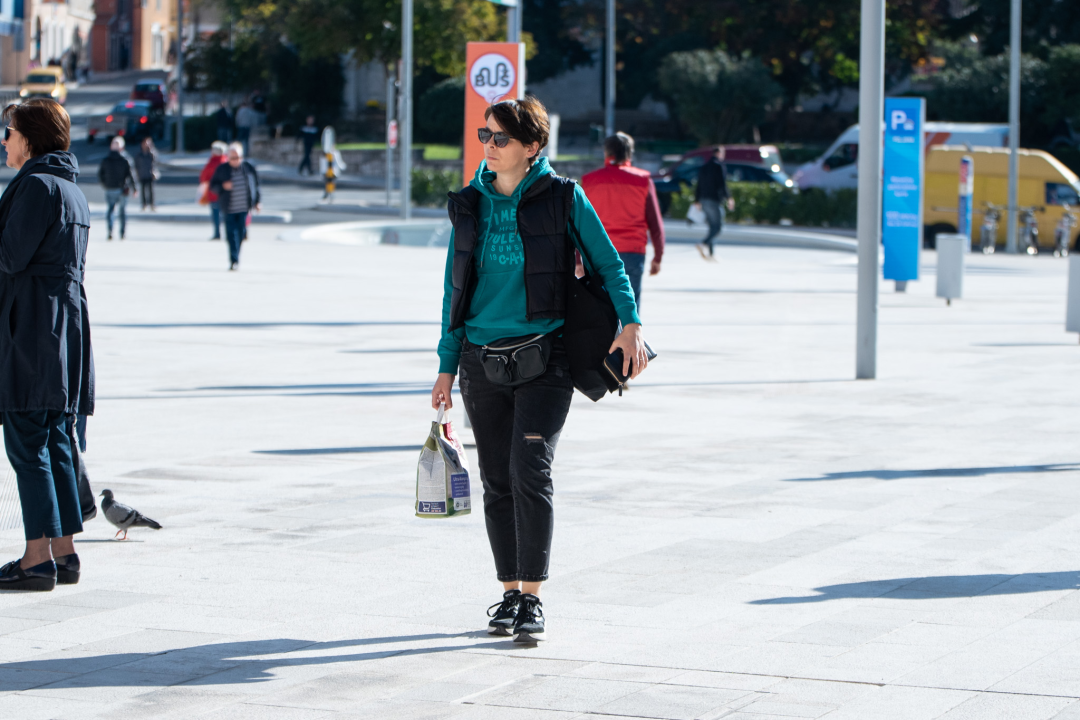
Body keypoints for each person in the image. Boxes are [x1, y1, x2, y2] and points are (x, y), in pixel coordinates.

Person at [432, 97, 649, 643]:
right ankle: (508, 591)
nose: (489, 146)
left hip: (545, 356)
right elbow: (453, 291)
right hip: (481, 361)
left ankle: (532, 597)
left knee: (531, 469)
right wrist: (445, 365)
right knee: (496, 479)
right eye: (485, 136)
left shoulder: (563, 198)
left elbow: (607, 262)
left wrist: (631, 324)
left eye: (500, 138)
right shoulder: (469, 204)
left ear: (531, 148)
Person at [0, 99, 94, 591]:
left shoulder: (35, 185)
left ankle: (36, 560)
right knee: (55, 437)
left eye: (10, 131)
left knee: (27, 441)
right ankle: (64, 551)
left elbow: (11, 257)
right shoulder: (71, 189)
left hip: (32, 331)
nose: (5, 140)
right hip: (61, 331)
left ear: (31, 137)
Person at [580, 132, 665, 309]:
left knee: (601, 311)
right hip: (632, 252)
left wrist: (577, 260)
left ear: (606, 152)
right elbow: (655, 222)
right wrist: (658, 256)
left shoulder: (589, 181)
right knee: (629, 309)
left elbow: (578, 224)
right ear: (630, 153)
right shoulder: (643, 180)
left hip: (598, 254)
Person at [210, 142, 261, 271]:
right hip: (229, 208)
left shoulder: (248, 168)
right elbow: (213, 186)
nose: (235, 161)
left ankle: (236, 255)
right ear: (228, 157)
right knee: (231, 235)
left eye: (238, 158)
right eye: (232, 158)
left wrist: (257, 202)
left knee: (242, 233)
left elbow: (256, 186)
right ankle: (234, 260)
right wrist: (223, 186)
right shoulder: (222, 169)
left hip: (244, 208)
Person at [693, 146, 735, 260]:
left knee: (712, 226)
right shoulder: (719, 166)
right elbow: (722, 184)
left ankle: (711, 254)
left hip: (703, 199)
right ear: (719, 153)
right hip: (714, 200)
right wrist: (729, 198)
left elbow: (699, 184)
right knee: (718, 227)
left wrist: (697, 200)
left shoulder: (704, 166)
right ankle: (704, 243)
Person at [97, 136, 136, 241]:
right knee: (122, 211)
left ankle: (110, 231)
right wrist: (134, 188)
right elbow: (130, 175)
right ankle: (122, 233)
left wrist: (105, 184)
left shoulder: (106, 159)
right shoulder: (125, 159)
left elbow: (100, 174)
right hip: (122, 188)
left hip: (110, 187)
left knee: (110, 210)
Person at [199, 141, 228, 241]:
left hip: (213, 192)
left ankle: (217, 233)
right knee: (226, 214)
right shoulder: (226, 161)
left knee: (216, 215)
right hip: (225, 193)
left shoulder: (211, 163)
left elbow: (203, 177)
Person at [135, 137, 158, 211]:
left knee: (151, 190)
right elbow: (137, 164)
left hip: (150, 173)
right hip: (142, 173)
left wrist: (151, 149)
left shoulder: (151, 154)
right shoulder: (139, 155)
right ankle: (144, 204)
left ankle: (152, 204)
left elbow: (155, 160)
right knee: (143, 190)